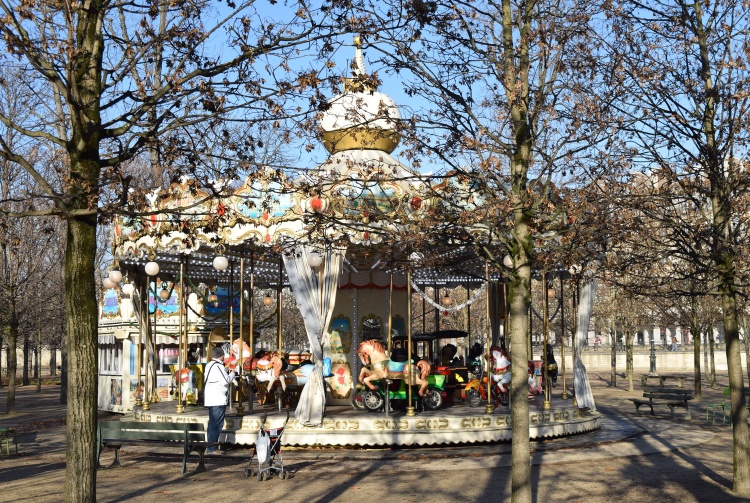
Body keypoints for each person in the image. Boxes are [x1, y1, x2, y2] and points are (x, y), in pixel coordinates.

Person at [203, 345, 235, 454]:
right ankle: (212, 449)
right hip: (218, 398)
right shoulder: (218, 366)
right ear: (221, 356)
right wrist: (232, 374)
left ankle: (210, 447)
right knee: (216, 425)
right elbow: (226, 380)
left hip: (210, 398)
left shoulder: (209, 365)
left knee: (212, 424)